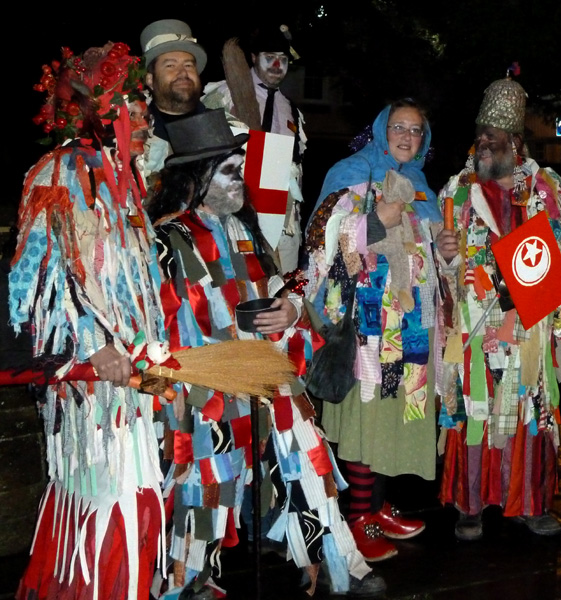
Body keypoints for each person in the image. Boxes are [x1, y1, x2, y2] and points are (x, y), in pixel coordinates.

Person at [147, 109, 383, 598]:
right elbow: (170, 324)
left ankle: (338, 560)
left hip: (268, 370)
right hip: (209, 386)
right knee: (209, 482)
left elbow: (278, 284)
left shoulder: (244, 230)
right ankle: (192, 578)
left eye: (241, 167)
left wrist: (290, 309)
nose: (241, 179)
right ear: (198, 177)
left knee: (308, 460)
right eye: (230, 169)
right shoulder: (167, 238)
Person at [10, 43, 168, 599]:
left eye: (145, 106)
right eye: (134, 105)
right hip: (91, 383)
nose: (145, 117)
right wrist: (94, 346)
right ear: (100, 110)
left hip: (130, 376)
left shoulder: (125, 184)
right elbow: (44, 278)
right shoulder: (60, 173)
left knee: (132, 492)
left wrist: (151, 346)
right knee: (105, 497)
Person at [434, 76, 561, 541]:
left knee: (530, 408)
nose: (482, 144)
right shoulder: (455, 192)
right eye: (480, 137)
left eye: (492, 139)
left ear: (515, 144)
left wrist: (530, 306)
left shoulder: (546, 187)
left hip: (530, 326)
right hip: (474, 330)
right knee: (474, 413)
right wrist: (441, 253)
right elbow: (434, 268)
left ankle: (531, 502)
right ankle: (470, 505)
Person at [305, 99, 442, 561]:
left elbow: (433, 261)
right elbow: (320, 250)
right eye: (398, 127)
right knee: (367, 416)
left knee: (392, 415)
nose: (406, 137)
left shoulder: (423, 188)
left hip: (412, 328)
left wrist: (442, 246)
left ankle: (378, 507)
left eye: (416, 130)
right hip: (366, 328)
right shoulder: (351, 174)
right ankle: (357, 515)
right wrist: (371, 224)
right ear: (381, 130)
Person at [203, 25, 307, 274]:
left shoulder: (292, 110)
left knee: (282, 286)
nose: (276, 65)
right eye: (269, 57)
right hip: (233, 208)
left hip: (280, 215)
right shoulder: (224, 96)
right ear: (253, 57)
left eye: (282, 60)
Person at [139, 19, 208, 175]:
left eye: (189, 65)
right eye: (170, 65)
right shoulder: (133, 136)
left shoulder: (229, 128)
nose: (183, 73)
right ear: (150, 80)